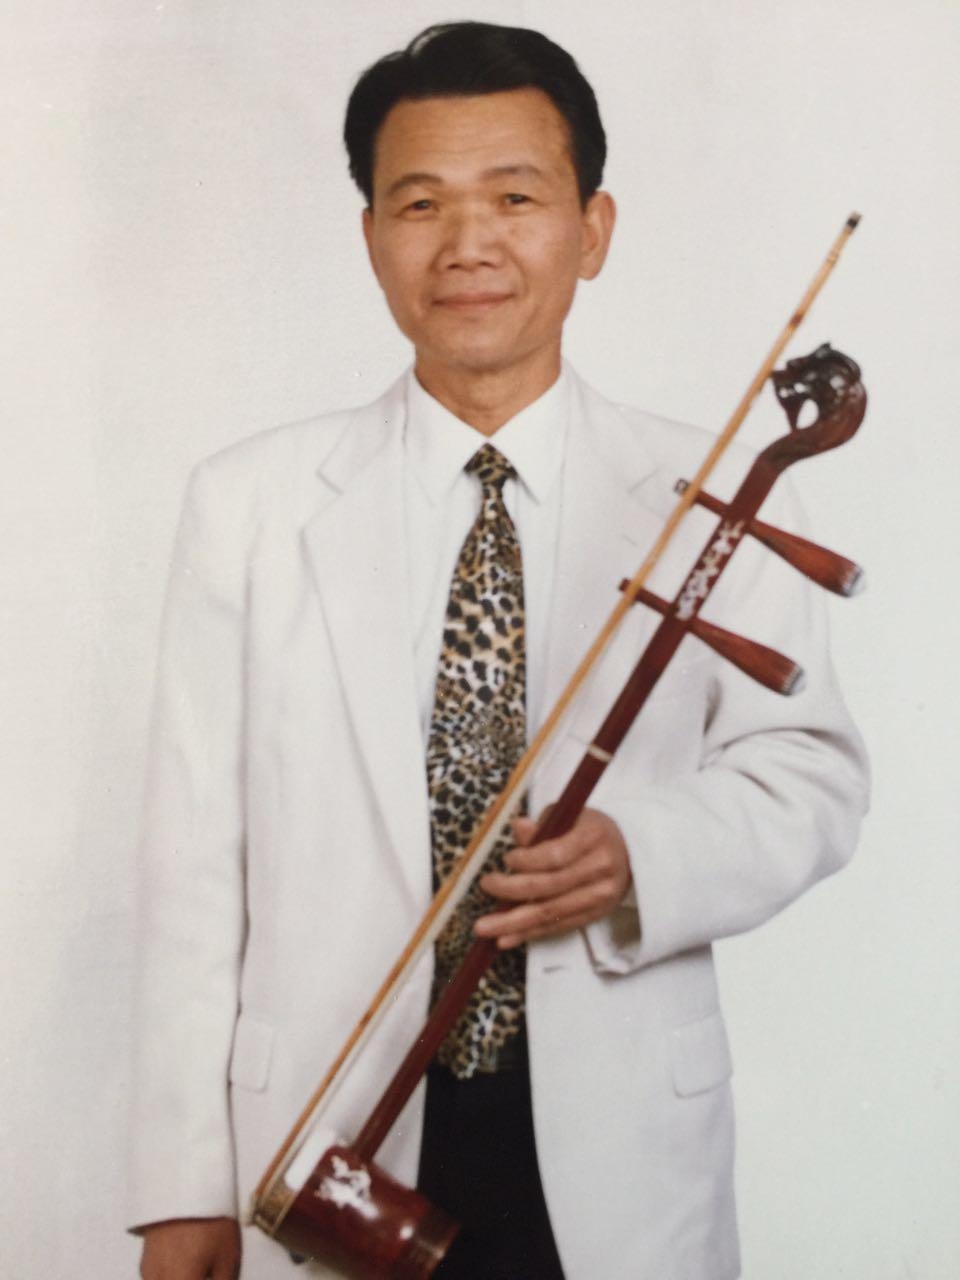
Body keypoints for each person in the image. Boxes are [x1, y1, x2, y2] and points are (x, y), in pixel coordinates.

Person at [129, 21, 868, 1280]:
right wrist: (181, 1185)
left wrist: (644, 852)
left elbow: (812, 774)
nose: (467, 242)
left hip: (622, 1137)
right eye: (420, 203)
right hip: (333, 1136)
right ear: (372, 236)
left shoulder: (716, 489)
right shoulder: (248, 504)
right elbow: (192, 861)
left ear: (593, 229)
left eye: (515, 197)